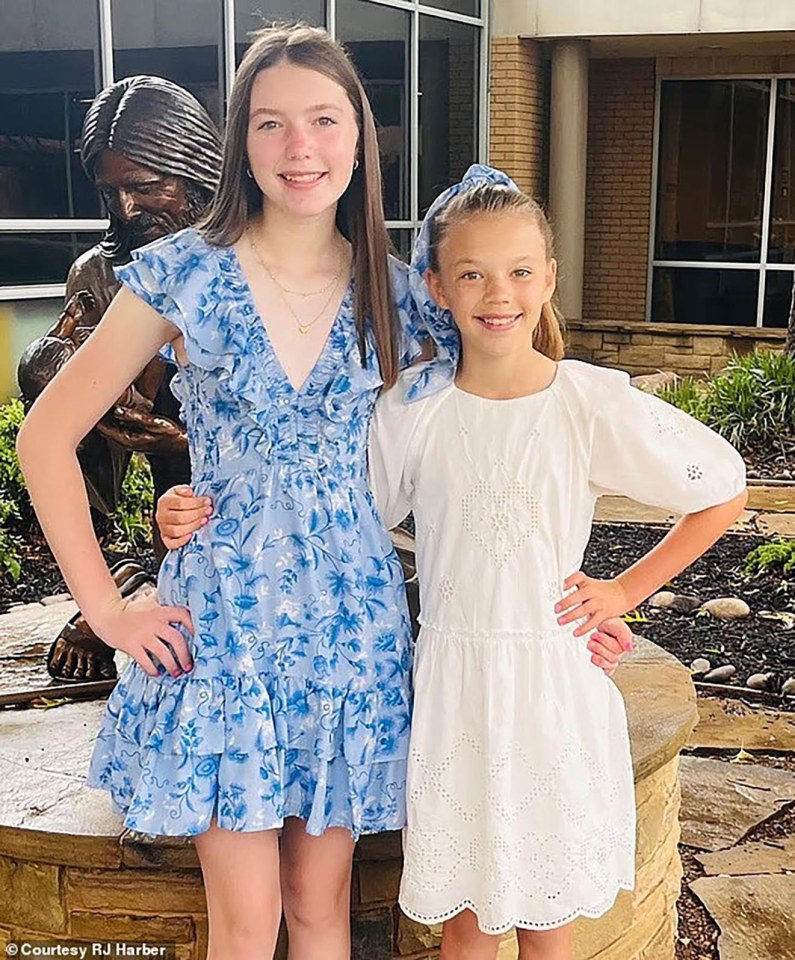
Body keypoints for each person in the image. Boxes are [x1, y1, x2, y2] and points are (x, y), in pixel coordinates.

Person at [367, 165, 749, 960]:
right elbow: (346, 522)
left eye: (516, 272)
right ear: (436, 286)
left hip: (550, 686)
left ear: (547, 278)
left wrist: (622, 591)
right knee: (468, 921)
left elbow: (719, 491)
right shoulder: (411, 410)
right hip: (455, 688)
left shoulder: (586, 401)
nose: (495, 293)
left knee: (547, 918)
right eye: (470, 274)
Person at [17, 75, 223, 682]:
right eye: (110, 193)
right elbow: (47, 428)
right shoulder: (104, 272)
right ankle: (117, 583)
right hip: (152, 460)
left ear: (196, 168)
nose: (127, 210)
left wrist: (176, 437)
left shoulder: (254, 261)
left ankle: (139, 580)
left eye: (143, 186)